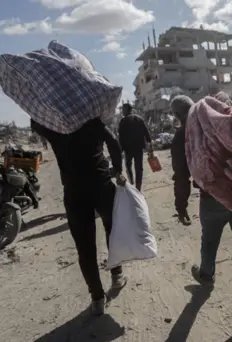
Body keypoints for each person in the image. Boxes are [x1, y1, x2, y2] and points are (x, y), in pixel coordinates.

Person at [169, 95, 232, 326]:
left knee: (209, 241)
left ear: (176, 116)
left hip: (212, 198)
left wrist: (180, 205)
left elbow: (181, 177)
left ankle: (206, 275)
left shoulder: (180, 137)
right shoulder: (218, 120)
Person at [30, 117, 128, 316]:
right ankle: (117, 274)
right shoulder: (92, 120)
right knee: (112, 231)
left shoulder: (54, 124)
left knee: (84, 246)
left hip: (74, 192)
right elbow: (114, 144)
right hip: (101, 185)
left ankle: (97, 298)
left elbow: (35, 122)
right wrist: (117, 169)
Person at [118, 103, 152, 191]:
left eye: (123, 109)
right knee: (139, 168)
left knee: (128, 166)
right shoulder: (139, 119)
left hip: (128, 149)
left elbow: (120, 137)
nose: (122, 111)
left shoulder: (122, 121)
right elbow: (146, 132)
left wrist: (120, 149)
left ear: (126, 110)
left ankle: (132, 183)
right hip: (138, 148)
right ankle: (138, 187)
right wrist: (149, 143)